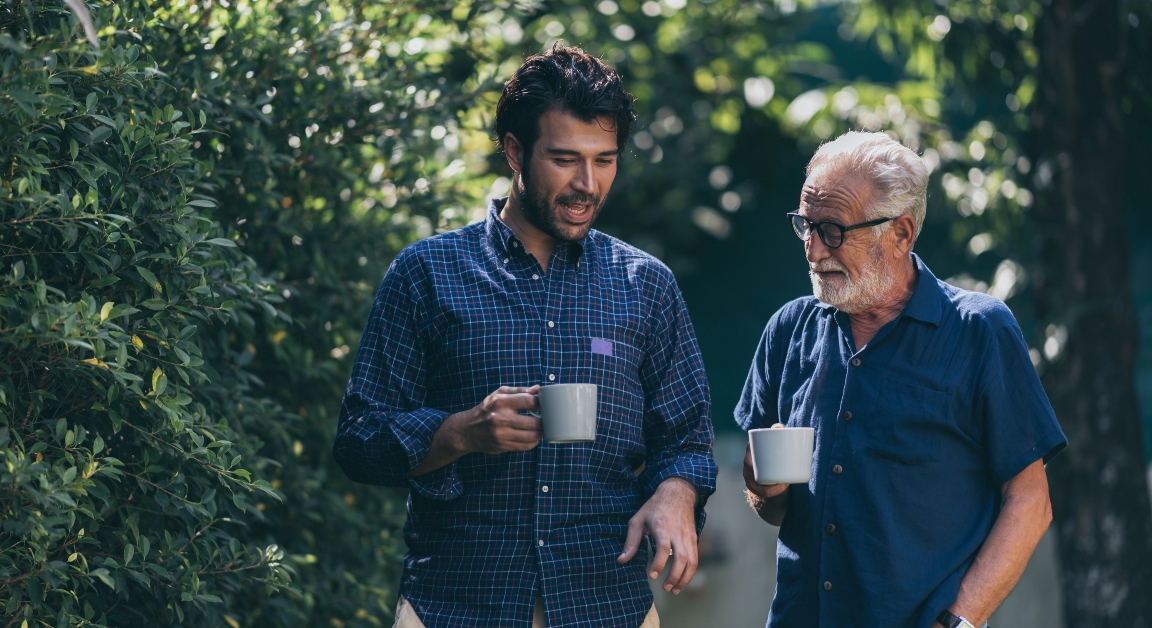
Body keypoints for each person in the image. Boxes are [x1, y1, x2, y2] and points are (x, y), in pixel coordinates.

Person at [333, 45, 716, 628]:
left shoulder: (646, 286)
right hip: (456, 607)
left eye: (605, 160)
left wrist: (677, 494)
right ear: (515, 151)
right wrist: (460, 432)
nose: (588, 184)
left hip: (605, 605)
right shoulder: (427, 273)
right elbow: (359, 440)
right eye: (565, 159)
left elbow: (687, 438)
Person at [737, 131, 1067, 628]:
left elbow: (1030, 502)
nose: (811, 249)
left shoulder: (979, 331)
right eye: (805, 226)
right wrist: (763, 483)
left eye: (832, 230)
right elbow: (771, 507)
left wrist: (959, 620)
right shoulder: (788, 330)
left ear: (901, 234)